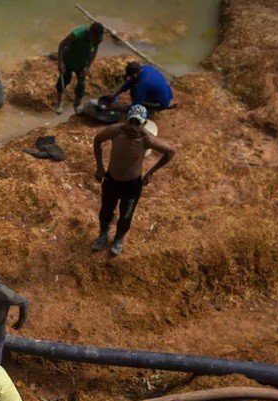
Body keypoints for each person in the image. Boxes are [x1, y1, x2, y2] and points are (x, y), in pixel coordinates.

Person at [92, 104, 175, 255]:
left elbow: (170, 151)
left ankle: (118, 239)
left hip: (131, 185)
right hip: (111, 180)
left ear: (144, 124)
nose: (133, 127)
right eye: (131, 122)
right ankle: (103, 235)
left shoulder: (146, 139)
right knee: (105, 211)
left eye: (137, 124)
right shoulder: (116, 131)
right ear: (126, 119)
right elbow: (97, 140)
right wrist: (99, 167)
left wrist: (150, 173)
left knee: (125, 216)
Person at [55, 21, 105, 115]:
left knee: (81, 86)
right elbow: (62, 45)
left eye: (97, 39)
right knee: (62, 82)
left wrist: (88, 66)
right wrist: (60, 62)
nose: (96, 40)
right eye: (94, 38)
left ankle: (77, 105)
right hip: (68, 61)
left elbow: (94, 51)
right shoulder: (77, 34)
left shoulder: (98, 38)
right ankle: (59, 102)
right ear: (90, 33)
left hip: (82, 64)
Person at [107, 62, 173, 114]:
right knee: (135, 87)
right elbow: (130, 82)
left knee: (134, 93)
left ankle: (149, 110)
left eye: (130, 76)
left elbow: (134, 106)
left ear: (134, 75)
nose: (129, 78)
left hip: (162, 104)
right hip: (168, 94)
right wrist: (116, 93)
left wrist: (116, 107)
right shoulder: (146, 68)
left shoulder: (142, 85)